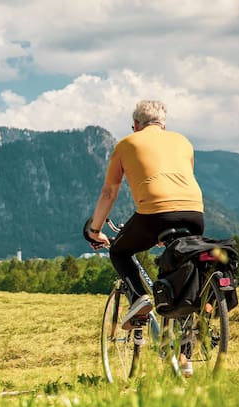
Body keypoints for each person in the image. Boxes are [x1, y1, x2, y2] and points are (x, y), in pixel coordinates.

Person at [86, 99, 204, 329]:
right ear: (163, 124)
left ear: (136, 124)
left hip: (155, 213)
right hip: (195, 213)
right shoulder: (184, 142)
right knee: (180, 268)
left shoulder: (126, 144)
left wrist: (95, 230)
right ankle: (185, 353)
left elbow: (109, 192)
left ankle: (139, 299)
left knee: (120, 252)